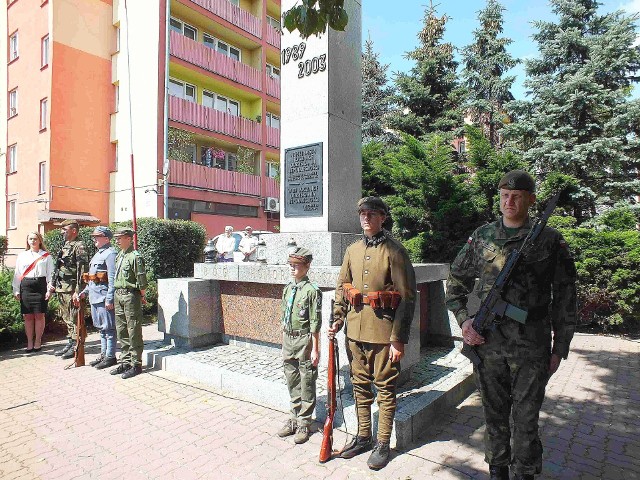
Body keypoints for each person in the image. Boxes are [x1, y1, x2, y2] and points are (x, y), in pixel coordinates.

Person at [445, 170, 577, 480]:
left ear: (530, 200)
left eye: (517, 196)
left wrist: (560, 348)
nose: (510, 201)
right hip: (488, 343)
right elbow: (456, 283)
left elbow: (566, 296)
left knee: (527, 417)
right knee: (494, 415)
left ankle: (525, 472)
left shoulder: (550, 240)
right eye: (505, 195)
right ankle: (497, 470)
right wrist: (464, 322)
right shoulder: (483, 237)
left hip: (532, 344)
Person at [328, 196, 416, 470]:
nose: (366, 218)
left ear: (383, 217)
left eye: (372, 213)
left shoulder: (395, 251)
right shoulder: (352, 250)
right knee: (359, 386)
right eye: (363, 213)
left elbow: (407, 297)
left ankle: (382, 443)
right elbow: (343, 286)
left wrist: (398, 338)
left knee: (386, 389)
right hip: (355, 330)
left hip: (383, 332)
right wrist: (337, 319)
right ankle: (364, 435)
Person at [276, 247, 322, 445]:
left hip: (304, 340)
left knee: (307, 379)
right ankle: (294, 417)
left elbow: (315, 322)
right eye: (291, 265)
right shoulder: (288, 288)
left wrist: (316, 348)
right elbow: (283, 314)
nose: (292, 269)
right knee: (291, 378)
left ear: (307, 265)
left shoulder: (312, 291)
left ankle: (305, 421)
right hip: (289, 338)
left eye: (296, 265)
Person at [76, 226, 118, 370]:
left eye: (97, 236)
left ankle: (111, 356)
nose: (94, 239)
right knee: (101, 329)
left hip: (104, 297)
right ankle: (103, 355)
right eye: (94, 236)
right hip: (95, 296)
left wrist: (110, 298)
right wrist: (84, 292)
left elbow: (112, 279)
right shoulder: (98, 254)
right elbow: (93, 279)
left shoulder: (110, 254)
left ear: (106, 238)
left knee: (109, 329)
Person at [110, 227, 148, 379]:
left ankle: (136, 364)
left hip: (130, 295)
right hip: (118, 294)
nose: (117, 240)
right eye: (117, 238)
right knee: (121, 330)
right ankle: (125, 361)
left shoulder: (135, 256)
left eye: (120, 238)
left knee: (133, 330)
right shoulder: (120, 255)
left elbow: (141, 280)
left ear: (128, 238)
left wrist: (142, 296)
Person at [48, 220, 88, 360]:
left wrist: (79, 291)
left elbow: (82, 271)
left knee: (74, 318)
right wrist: (53, 285)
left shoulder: (79, 246)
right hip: (62, 288)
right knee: (67, 318)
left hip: (72, 290)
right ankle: (71, 342)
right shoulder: (66, 245)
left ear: (74, 231)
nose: (62, 231)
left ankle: (77, 345)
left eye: (64, 229)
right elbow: (58, 268)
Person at [12, 232, 54, 353]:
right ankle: (29, 342)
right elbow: (17, 274)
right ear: (27, 241)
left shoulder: (46, 256)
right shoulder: (22, 255)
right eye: (30, 239)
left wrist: (49, 289)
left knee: (40, 315)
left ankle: (38, 342)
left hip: (40, 286)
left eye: (35, 239)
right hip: (26, 287)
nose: (33, 241)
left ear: (40, 240)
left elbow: (50, 274)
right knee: (28, 316)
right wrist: (16, 289)